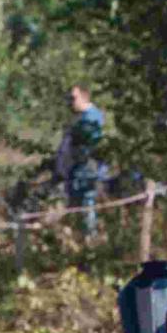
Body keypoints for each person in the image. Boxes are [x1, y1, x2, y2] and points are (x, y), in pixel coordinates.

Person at [55, 85, 107, 233]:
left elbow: (92, 146)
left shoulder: (92, 117)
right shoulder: (81, 118)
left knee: (86, 205)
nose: (71, 102)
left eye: (73, 98)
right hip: (76, 170)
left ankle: (90, 240)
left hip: (86, 169)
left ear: (84, 97)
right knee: (75, 207)